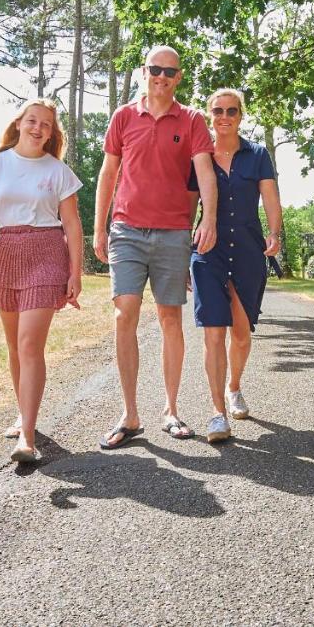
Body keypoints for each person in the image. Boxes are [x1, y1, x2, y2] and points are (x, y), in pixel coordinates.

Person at [93, 46, 218, 449]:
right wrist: (99, 229)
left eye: (170, 71)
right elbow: (108, 173)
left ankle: (171, 409)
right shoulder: (124, 116)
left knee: (169, 319)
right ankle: (130, 414)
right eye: (155, 69)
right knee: (124, 312)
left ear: (179, 76)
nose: (161, 76)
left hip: (173, 233)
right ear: (143, 71)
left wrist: (208, 220)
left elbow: (205, 173)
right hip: (126, 230)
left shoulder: (193, 119)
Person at [0, 98, 84, 463]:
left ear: (52, 133)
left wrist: (75, 272)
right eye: (32, 121)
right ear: (19, 124)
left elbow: (72, 226)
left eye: (46, 125)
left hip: (47, 253)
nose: (38, 128)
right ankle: (23, 413)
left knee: (30, 343)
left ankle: (28, 438)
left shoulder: (59, 172)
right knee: (15, 347)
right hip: (4, 253)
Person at [187, 88, 283, 442]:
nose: (224, 117)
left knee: (240, 332)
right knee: (213, 332)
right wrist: (185, 252)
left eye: (231, 111)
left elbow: (271, 198)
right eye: (217, 111)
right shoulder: (198, 156)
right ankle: (216, 413)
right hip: (207, 250)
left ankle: (234, 386)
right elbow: (187, 207)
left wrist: (274, 234)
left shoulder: (257, 154)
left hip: (247, 249)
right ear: (209, 115)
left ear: (241, 115)